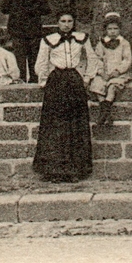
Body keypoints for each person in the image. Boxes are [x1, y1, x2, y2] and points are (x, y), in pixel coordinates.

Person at [32, 13, 94, 182]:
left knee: (75, 124)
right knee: (56, 125)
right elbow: (41, 63)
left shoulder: (82, 38)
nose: (66, 25)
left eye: (69, 21)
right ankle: (54, 170)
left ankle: (76, 169)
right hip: (56, 82)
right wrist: (44, 80)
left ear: (74, 22)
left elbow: (92, 59)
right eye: (63, 21)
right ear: (57, 23)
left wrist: (87, 78)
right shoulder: (48, 39)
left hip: (74, 81)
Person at [0, 0, 50, 83]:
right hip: (34, 31)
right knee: (34, 61)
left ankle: (21, 84)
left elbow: (3, 9)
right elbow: (46, 10)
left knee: (20, 61)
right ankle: (33, 84)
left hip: (17, 32)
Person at [88, 13, 132, 127]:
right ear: (105, 30)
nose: (113, 31)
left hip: (119, 74)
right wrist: (102, 72)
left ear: (120, 29)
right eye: (110, 29)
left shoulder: (124, 43)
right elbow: (97, 59)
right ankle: (106, 113)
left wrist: (118, 71)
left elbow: (127, 60)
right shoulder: (101, 43)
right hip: (105, 73)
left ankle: (103, 116)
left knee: (112, 87)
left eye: (115, 29)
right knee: (97, 86)